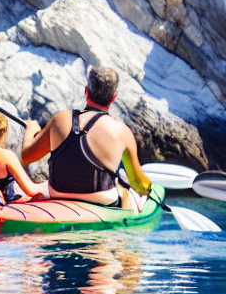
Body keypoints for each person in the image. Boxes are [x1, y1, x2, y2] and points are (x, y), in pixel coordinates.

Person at [21, 65, 152, 209]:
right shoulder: (121, 131)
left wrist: (30, 130)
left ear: (86, 92)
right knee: (126, 192)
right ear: (113, 98)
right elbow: (137, 183)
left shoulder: (60, 119)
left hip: (58, 195)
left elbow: (27, 156)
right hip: (101, 201)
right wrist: (149, 189)